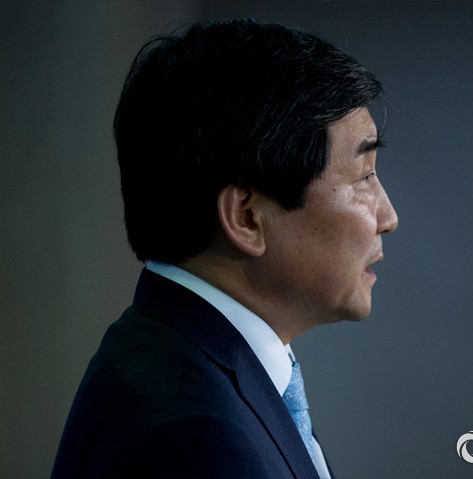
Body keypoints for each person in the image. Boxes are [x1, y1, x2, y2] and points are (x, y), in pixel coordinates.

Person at [52, 19, 398, 479]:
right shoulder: (196, 435)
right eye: (364, 176)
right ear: (247, 217)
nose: (388, 217)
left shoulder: (174, 358)